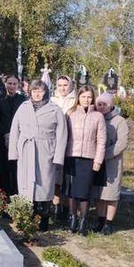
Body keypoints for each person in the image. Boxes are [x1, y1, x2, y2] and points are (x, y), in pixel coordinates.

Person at [9, 79, 68, 231]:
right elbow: (15, 130)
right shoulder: (23, 107)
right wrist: (14, 153)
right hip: (27, 150)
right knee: (26, 185)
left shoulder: (55, 110)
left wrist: (58, 156)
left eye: (40, 90)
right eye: (34, 90)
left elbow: (62, 134)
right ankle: (27, 217)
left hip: (45, 151)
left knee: (45, 185)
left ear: (45, 92)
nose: (37, 93)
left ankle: (44, 218)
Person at [64, 85, 106, 235]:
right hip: (71, 156)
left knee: (84, 192)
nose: (86, 100)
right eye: (83, 97)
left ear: (93, 98)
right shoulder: (71, 114)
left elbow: (101, 140)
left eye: (89, 97)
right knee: (71, 190)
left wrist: (98, 161)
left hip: (88, 158)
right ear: (78, 98)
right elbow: (65, 136)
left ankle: (83, 221)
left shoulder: (98, 117)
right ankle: (72, 219)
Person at [92, 93, 128, 235]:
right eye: (99, 104)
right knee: (100, 193)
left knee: (111, 194)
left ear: (111, 105)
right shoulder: (96, 118)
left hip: (112, 162)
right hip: (97, 162)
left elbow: (122, 143)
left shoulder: (119, 121)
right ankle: (100, 220)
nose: (102, 107)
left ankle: (109, 223)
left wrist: (104, 154)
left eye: (105, 104)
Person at [0, 75, 26, 196]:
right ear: (5, 84)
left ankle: (16, 193)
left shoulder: (23, 101)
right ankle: (4, 194)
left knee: (17, 168)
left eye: (14, 84)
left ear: (18, 85)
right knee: (4, 168)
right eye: (9, 83)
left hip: (19, 139)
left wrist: (16, 134)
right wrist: (6, 133)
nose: (12, 86)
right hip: (2, 139)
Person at [50, 75, 76, 222]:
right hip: (54, 143)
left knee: (67, 178)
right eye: (60, 85)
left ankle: (67, 209)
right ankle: (56, 207)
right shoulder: (52, 101)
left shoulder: (75, 101)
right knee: (55, 178)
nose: (62, 88)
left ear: (70, 86)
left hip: (71, 145)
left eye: (65, 85)